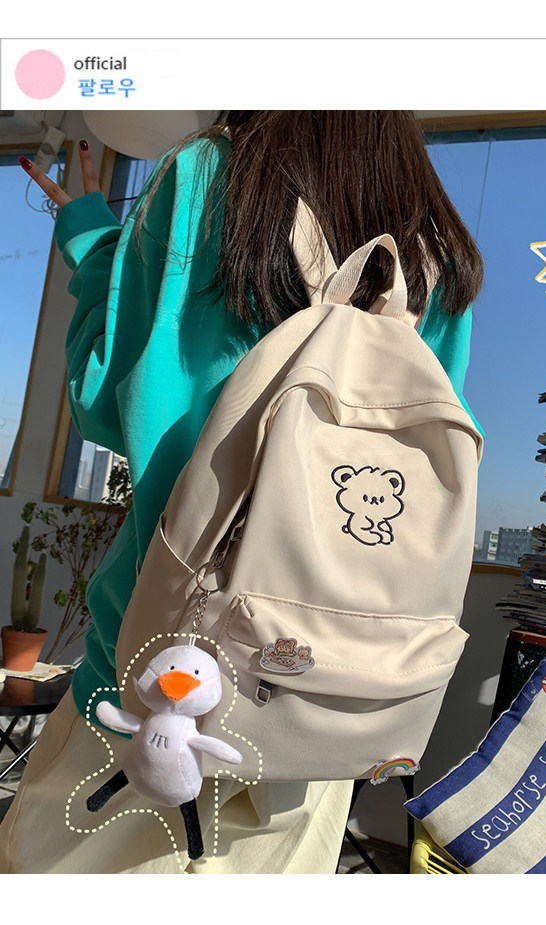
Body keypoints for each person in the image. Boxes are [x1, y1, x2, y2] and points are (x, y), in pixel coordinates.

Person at [0, 111, 484, 874]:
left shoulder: (207, 179)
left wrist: (96, 248)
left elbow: (108, 404)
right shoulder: (436, 254)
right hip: (325, 713)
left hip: (156, 692)